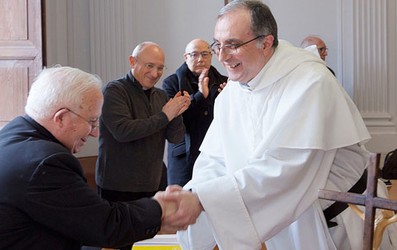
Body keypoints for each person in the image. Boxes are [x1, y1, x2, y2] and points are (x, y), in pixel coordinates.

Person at [176, 1, 397, 249]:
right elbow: (216, 160)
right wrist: (191, 194)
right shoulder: (233, 92)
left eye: (233, 45)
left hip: (341, 224)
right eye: (218, 45)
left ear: (266, 42)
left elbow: (283, 171)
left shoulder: (311, 83)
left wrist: (204, 201)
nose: (222, 56)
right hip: (287, 223)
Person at [0, 66, 201, 249]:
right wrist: (160, 207)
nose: (95, 133)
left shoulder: (11, 134)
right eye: (92, 121)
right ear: (60, 117)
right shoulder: (47, 162)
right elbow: (105, 226)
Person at [162, 38, 228, 186]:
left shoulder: (225, 82)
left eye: (205, 54)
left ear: (211, 56)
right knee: (179, 201)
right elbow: (174, 121)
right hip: (184, 156)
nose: (200, 59)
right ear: (186, 57)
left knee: (211, 201)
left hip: (215, 154)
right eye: (194, 54)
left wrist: (229, 101)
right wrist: (200, 96)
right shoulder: (171, 83)